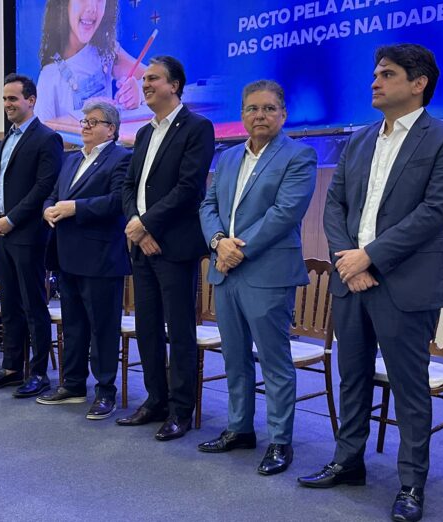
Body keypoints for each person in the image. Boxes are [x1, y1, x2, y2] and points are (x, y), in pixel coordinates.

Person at [297, 44, 443, 522]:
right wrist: (346, 260)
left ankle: (411, 484)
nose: (374, 82)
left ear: (419, 83)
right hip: (351, 279)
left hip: (406, 282)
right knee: (351, 376)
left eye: (387, 74)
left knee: (408, 386)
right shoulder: (359, 139)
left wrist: (369, 257)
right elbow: (334, 205)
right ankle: (348, 461)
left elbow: (435, 211)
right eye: (375, 73)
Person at [198, 80, 317, 474]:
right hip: (225, 270)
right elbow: (209, 205)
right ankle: (239, 428)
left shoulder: (299, 155)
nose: (260, 115)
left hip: (266, 272)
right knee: (234, 357)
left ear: (283, 114)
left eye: (268, 108)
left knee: (273, 360)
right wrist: (218, 243)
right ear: (242, 114)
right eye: (252, 108)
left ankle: (280, 441)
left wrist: (238, 250)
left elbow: (285, 213)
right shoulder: (228, 156)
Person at [117, 55, 215, 440]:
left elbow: (189, 188)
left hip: (174, 245)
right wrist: (136, 226)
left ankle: (180, 410)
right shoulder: (143, 133)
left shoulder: (197, 127)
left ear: (174, 85)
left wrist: (146, 223)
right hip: (141, 245)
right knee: (147, 328)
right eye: (144, 79)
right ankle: (155, 400)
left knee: (180, 330)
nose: (145, 84)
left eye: (153, 78)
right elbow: (129, 186)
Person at [37, 100, 131, 419]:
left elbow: (117, 201)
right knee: (73, 325)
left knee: (103, 328)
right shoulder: (71, 158)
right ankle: (73, 384)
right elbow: (53, 194)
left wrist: (75, 208)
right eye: (85, 121)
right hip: (67, 254)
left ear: (111, 129)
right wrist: (48, 209)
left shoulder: (121, 158)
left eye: (94, 121)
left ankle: (105, 391)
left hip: (101, 256)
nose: (86, 126)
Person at [0, 74, 64, 397]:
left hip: (28, 234)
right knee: (9, 303)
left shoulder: (47, 138)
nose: (7, 104)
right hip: (2, 233)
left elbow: (44, 187)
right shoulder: (7, 139)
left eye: (13, 98)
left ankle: (39, 372)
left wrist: (11, 219)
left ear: (31, 100)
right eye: (4, 99)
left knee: (33, 305)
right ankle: (12, 367)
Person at [35, 0, 145, 122]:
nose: (92, 8)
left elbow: (155, 81)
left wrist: (138, 92)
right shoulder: (49, 76)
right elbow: (41, 133)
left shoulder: (106, 51)